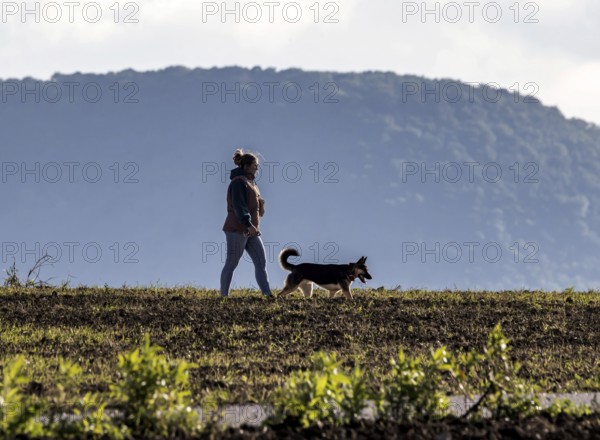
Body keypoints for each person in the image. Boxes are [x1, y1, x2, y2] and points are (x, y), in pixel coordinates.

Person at [220, 149, 273, 298]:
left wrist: (260, 206)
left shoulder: (251, 184)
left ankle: (267, 295)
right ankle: (223, 296)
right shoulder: (238, 182)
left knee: (261, 261)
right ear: (246, 166)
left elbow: (251, 204)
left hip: (251, 230)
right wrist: (248, 223)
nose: (257, 168)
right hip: (238, 228)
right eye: (255, 165)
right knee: (232, 262)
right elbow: (239, 206)